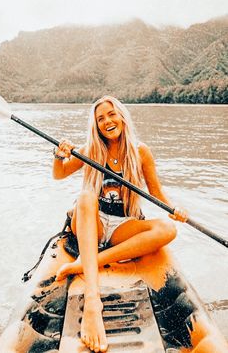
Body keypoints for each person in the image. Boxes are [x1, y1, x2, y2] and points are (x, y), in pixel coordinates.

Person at [52, 96, 188, 353]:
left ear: (122, 117)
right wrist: (59, 156)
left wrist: (175, 210)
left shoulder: (140, 152)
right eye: (100, 118)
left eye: (111, 114)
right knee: (85, 196)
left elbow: (157, 194)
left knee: (168, 229)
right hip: (93, 222)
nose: (107, 121)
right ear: (96, 125)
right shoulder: (91, 149)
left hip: (122, 226)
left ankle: (85, 262)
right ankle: (94, 302)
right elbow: (59, 174)